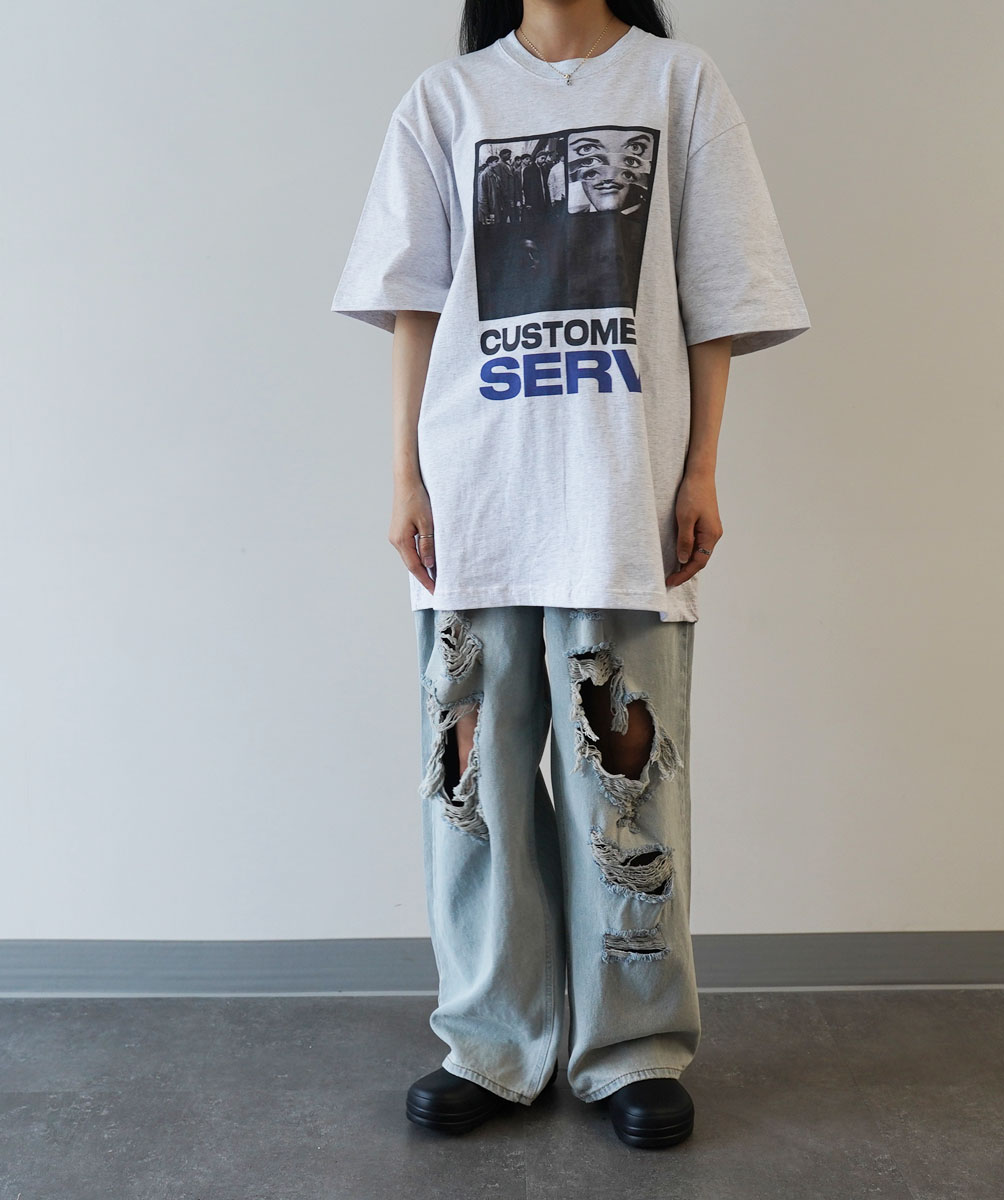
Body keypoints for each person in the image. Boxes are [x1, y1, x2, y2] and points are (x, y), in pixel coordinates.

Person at [330, 0, 810, 1150]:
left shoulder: (678, 87)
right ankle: (492, 1042)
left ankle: (632, 1048)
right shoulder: (447, 101)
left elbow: (719, 291)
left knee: (625, 786)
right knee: (472, 791)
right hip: (476, 498)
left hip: (619, 500)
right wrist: (406, 477)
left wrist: (700, 469)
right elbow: (415, 302)